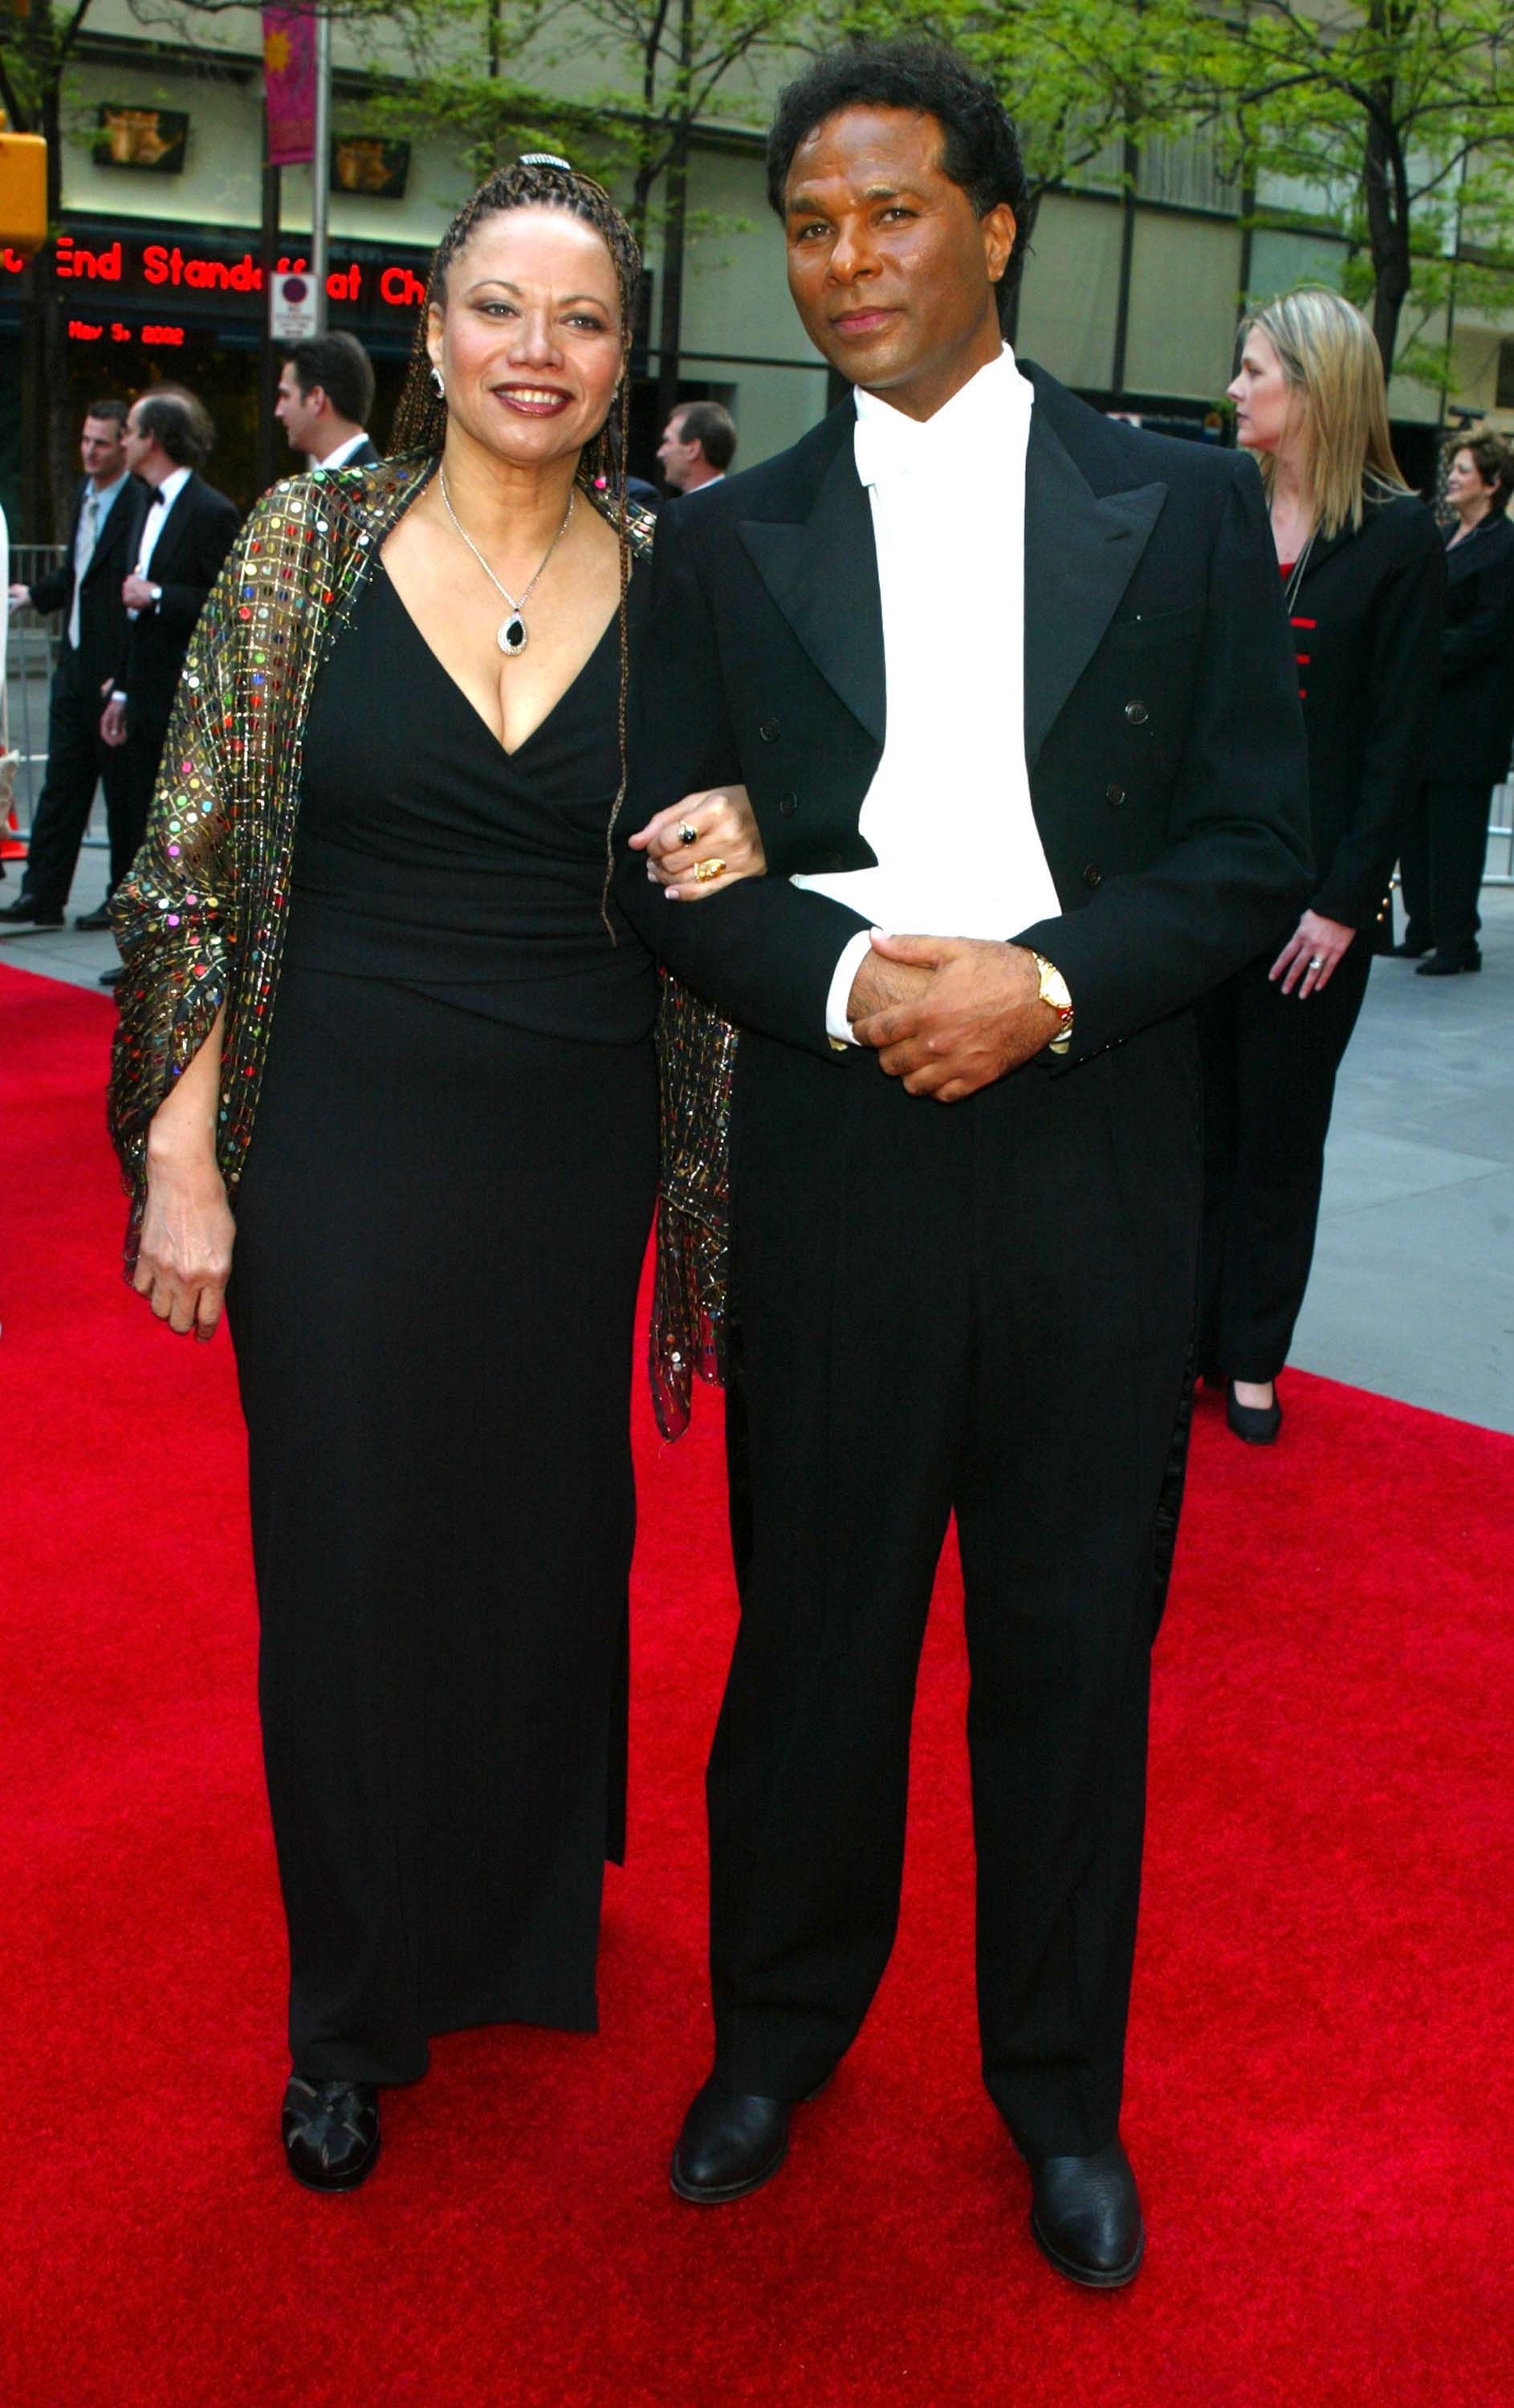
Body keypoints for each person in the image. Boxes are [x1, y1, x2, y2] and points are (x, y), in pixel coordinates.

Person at [614, 39, 1313, 2288]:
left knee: (1066, 1655)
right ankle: (773, 2043)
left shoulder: (1182, 507)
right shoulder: (720, 540)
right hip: (834, 1152)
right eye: (808, 224)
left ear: (992, 228)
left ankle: (1056, 2102)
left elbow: (1247, 848)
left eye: (888, 212)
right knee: (808, 1649)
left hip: (1095, 1151)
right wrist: (836, 987)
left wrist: (1042, 986)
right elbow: (659, 859)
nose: (843, 261)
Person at [106, 157, 758, 2195]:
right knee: (351, 1568)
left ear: (621, 352)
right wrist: (185, 1162)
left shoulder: (682, 579)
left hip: (575, 1148)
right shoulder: (303, 543)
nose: (536, 354)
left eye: (578, 321)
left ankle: (506, 1921)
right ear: (435, 331)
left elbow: (746, 835)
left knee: (539, 1547)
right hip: (344, 1133)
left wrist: (742, 834)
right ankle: (351, 2009)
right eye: (499, 310)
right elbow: (192, 870)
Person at [1200, 288, 1444, 1442]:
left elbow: (1400, 742)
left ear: (1312, 385)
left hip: (1312, 905)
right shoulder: (1215, 509)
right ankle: (1173, 1335)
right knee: (1182, 1127)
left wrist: (1346, 905)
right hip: (1198, 888)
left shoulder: (1395, 538)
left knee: (1277, 1131)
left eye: (1254, 371)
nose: (1236, 390)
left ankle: (1249, 1352)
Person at [98, 389, 240, 986]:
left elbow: (224, 605)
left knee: (176, 834)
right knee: (130, 821)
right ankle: (137, 948)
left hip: (186, 701)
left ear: (153, 438)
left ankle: (175, 950)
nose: (122, 441)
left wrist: (156, 596)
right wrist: (122, 691)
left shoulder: (213, 512)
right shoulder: (136, 504)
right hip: (141, 694)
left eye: (129, 431)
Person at [2, 401, 135, 930]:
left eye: (100, 443)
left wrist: (124, 673)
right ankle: (43, 893)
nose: (89, 451)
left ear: (124, 443)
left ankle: (119, 896)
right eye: (85, 439)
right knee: (62, 783)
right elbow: (75, 573)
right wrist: (35, 594)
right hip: (75, 664)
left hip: (110, 668)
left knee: (121, 792)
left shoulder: (139, 503)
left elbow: (121, 588)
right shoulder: (86, 494)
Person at [1395, 429, 1514, 977]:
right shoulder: (1443, 535)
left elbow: (1489, 630)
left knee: (1457, 833)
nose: (1453, 479)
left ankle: (1457, 942)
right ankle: (1420, 927)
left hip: (1469, 717)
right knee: (1416, 826)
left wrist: (1422, 654)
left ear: (1491, 483)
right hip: (1428, 712)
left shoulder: (1506, 546)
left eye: (1463, 471)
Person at [274, 332, 381, 470]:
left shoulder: (373, 487)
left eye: (286, 395)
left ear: (316, 399)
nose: (278, 411)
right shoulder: (380, 482)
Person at [656, 401, 736, 494]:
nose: (660, 453)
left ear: (693, 449)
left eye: (667, 441)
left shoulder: (718, 506)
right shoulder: (731, 500)